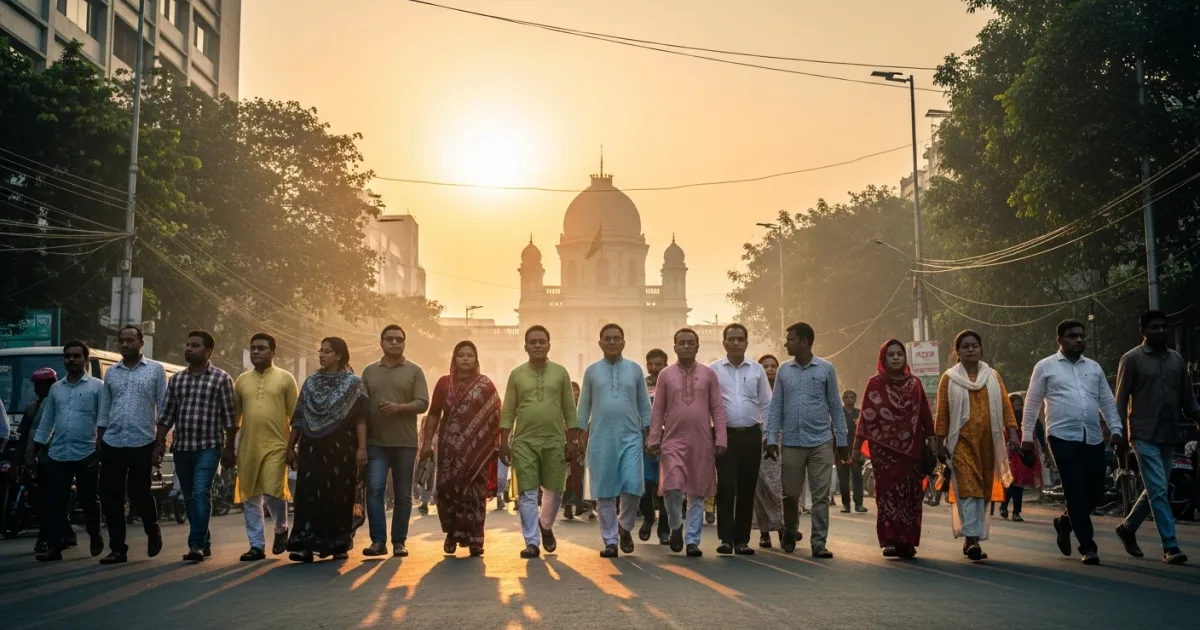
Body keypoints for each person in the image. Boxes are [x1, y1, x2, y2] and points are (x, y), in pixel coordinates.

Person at [1020, 320, 1121, 565]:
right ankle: (1088, 546)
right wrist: (1026, 438)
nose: (1078, 340)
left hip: (1092, 436)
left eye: (1081, 336)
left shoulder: (1094, 368)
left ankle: (1065, 521)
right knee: (1075, 489)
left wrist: (1116, 429)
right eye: (1072, 336)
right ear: (1060, 340)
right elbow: (1032, 403)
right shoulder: (1045, 367)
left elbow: (1106, 401)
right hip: (1061, 437)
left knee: (1096, 491)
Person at [1114, 310, 1200, 565]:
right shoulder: (1131, 359)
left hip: (1169, 433)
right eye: (1155, 327)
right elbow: (1119, 401)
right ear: (1143, 331)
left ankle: (1128, 528)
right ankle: (1170, 546)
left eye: (1164, 327)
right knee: (1159, 489)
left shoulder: (1176, 360)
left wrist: (1197, 418)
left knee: (1156, 488)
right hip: (1143, 434)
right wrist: (1117, 432)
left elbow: (1189, 400)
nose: (1161, 331)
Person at [764, 323, 850, 558]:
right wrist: (771, 438)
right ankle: (790, 531)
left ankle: (819, 543)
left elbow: (835, 406)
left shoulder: (825, 369)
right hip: (791, 442)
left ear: (804, 341)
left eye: (790, 339)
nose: (786, 343)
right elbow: (776, 406)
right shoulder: (784, 370)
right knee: (789, 495)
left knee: (821, 496)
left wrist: (842, 442)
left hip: (821, 441)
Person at [934, 330, 1019, 562]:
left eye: (974, 345)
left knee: (983, 490)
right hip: (960, 442)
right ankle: (971, 539)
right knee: (968, 487)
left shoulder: (992, 376)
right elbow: (942, 412)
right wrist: (938, 442)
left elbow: (1005, 406)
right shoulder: (949, 378)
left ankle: (973, 535)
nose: (971, 349)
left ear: (981, 349)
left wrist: (1013, 433)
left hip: (988, 443)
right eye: (965, 346)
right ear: (957, 352)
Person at [154, 330, 237, 562]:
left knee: (201, 492)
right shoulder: (178, 379)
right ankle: (204, 540)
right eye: (188, 345)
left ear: (208, 351)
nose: (189, 349)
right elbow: (167, 414)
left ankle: (196, 544)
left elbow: (230, 419)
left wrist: (230, 448)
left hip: (209, 447)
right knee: (189, 497)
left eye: (195, 346)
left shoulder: (221, 379)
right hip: (182, 447)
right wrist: (159, 443)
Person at [286, 337, 369, 562]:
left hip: (341, 449)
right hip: (312, 447)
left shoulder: (353, 383)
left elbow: (361, 419)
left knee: (338, 495)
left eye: (327, 352)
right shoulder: (311, 382)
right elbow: (299, 417)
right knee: (308, 494)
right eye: (320, 351)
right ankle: (304, 545)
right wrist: (290, 446)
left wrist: (362, 448)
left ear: (339, 355)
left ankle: (338, 543)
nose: (322, 355)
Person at [501, 325, 581, 559]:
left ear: (549, 345)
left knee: (555, 491)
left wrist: (573, 440)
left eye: (541, 341)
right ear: (525, 346)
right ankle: (532, 542)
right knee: (527, 493)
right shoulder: (517, 374)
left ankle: (545, 525)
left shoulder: (560, 373)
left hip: (555, 440)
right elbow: (508, 411)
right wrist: (504, 442)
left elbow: (569, 408)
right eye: (532, 342)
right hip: (524, 441)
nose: (537, 345)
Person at [646, 328, 727, 557]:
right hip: (672, 440)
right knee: (671, 488)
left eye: (691, 343)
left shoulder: (709, 374)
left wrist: (720, 438)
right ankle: (675, 527)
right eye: (681, 343)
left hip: (702, 441)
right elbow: (658, 409)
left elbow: (717, 409)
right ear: (674, 347)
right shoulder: (666, 375)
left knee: (697, 491)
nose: (686, 346)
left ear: (697, 346)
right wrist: (653, 439)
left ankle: (692, 541)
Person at [419, 341, 501, 557]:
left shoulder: (485, 385)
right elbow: (434, 414)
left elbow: (496, 414)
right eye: (461, 355)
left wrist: (497, 444)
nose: (465, 359)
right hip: (449, 450)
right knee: (448, 490)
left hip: (478, 452)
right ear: (454, 358)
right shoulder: (444, 384)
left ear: (476, 359)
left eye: (470, 355)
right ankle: (451, 534)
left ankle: (476, 539)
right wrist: (427, 444)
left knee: (474, 495)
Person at [855, 339, 935, 559]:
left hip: (912, 451)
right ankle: (890, 540)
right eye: (891, 354)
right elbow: (865, 419)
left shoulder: (915, 384)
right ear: (883, 358)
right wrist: (855, 448)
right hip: (884, 453)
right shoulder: (875, 384)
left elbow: (925, 416)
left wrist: (933, 441)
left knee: (910, 496)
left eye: (900, 354)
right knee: (887, 496)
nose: (896, 357)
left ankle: (907, 541)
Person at [578, 324, 653, 558]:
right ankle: (610, 541)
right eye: (607, 339)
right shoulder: (591, 371)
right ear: (600, 343)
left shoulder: (635, 370)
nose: (612, 342)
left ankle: (624, 526)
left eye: (616, 338)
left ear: (623, 342)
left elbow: (644, 404)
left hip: (631, 435)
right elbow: (583, 406)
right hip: (601, 438)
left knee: (633, 486)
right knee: (605, 492)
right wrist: (577, 434)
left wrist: (651, 432)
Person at [96, 325, 167, 565]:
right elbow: (105, 408)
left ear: (141, 343)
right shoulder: (112, 373)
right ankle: (118, 548)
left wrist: (160, 443)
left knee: (139, 491)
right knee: (111, 495)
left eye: (130, 340)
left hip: (142, 440)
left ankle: (152, 526)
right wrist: (100, 438)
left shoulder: (155, 370)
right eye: (121, 341)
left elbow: (163, 408)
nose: (125, 345)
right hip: (113, 440)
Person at [361, 324, 430, 558]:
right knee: (376, 490)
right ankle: (378, 541)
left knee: (403, 495)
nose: (394, 342)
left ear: (404, 343)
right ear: (381, 343)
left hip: (405, 443)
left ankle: (399, 541)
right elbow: (361, 408)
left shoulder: (414, 371)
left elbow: (423, 403)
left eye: (399, 339)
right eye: (389, 339)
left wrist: (399, 408)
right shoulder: (369, 371)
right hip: (376, 443)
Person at [32, 341, 104, 562]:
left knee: (88, 499)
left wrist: (100, 450)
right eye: (68, 356)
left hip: (87, 453)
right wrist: (32, 452)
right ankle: (55, 547)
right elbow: (47, 421)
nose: (71, 360)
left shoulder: (97, 387)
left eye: (76, 356)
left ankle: (94, 533)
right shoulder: (56, 389)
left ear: (85, 360)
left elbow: (103, 419)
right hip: (59, 452)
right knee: (56, 501)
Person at [233, 332, 299, 561]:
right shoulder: (241, 381)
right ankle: (256, 545)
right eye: (253, 348)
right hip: (248, 447)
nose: (256, 352)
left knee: (273, 492)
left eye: (261, 348)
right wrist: (230, 448)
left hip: (277, 445)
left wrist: (292, 447)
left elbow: (296, 416)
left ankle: (281, 528)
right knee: (250, 496)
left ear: (273, 352)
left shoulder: (285, 378)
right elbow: (235, 419)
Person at [709, 324, 771, 555]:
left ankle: (742, 540)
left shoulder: (756, 370)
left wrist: (769, 436)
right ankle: (726, 538)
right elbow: (707, 404)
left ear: (746, 342)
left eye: (740, 339)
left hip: (752, 435)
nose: (736, 343)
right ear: (724, 343)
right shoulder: (713, 370)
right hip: (725, 436)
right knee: (726, 486)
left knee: (747, 488)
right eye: (731, 339)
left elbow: (766, 404)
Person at [18, 368, 60, 554]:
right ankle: (63, 533)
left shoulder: (61, 404)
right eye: (36, 384)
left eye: (42, 384)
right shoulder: (31, 408)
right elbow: (23, 435)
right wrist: (20, 461)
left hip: (55, 458)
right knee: (40, 500)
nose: (37, 388)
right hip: (34, 459)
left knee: (52, 499)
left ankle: (45, 538)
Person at [639, 349, 672, 544]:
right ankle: (649, 517)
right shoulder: (641, 385)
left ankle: (664, 529)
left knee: (667, 487)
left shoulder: (672, 383)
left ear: (665, 364)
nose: (653, 368)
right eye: (650, 364)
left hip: (669, 441)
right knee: (644, 486)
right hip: (645, 442)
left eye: (658, 364)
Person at [753, 354, 785, 549]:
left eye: (774, 366)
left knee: (779, 487)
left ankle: (784, 528)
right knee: (760, 488)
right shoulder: (754, 390)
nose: (770, 369)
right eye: (765, 366)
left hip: (781, 443)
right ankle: (764, 533)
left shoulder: (784, 390)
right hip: (757, 441)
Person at [1002, 393, 1039, 523]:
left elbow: (1039, 431)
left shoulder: (1028, 417)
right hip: (1009, 454)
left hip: (1023, 453)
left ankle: (1016, 512)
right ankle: (1004, 506)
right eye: (1015, 403)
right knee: (1011, 483)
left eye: (1020, 403)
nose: (1018, 405)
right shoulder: (1004, 417)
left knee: (1019, 484)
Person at [837, 390, 867, 514]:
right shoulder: (838, 414)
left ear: (855, 399)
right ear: (843, 399)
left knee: (857, 478)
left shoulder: (860, 414)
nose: (849, 399)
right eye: (846, 397)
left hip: (856, 452)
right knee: (843, 481)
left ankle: (859, 504)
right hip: (841, 451)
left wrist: (863, 452)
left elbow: (865, 434)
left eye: (852, 397)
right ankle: (846, 505)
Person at [564, 380, 589, 520]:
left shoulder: (582, 407)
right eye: (572, 390)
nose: (575, 392)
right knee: (568, 478)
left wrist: (581, 441)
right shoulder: (564, 407)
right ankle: (568, 507)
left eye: (576, 390)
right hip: (567, 444)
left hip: (580, 445)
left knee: (580, 476)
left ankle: (580, 505)